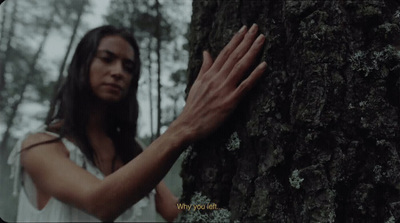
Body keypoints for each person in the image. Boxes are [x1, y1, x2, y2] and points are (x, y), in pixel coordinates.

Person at [8, 24, 266, 222]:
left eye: (128, 67)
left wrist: (218, 207)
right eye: (107, 59)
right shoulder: (39, 146)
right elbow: (100, 203)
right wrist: (185, 125)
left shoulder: (133, 151)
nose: (119, 71)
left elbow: (174, 208)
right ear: (81, 65)